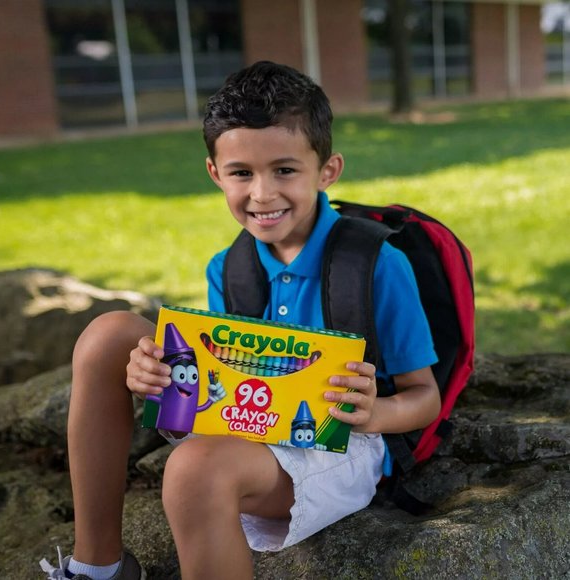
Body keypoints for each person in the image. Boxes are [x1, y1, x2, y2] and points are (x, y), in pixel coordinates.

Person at [40, 61, 441, 580]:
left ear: (327, 170)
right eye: (242, 173)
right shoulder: (229, 267)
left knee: (193, 470)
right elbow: (219, 381)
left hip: (337, 441)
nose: (262, 194)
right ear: (215, 173)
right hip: (243, 424)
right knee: (108, 335)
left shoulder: (377, 265)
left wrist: (374, 414)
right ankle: (98, 567)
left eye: (285, 170)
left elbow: (424, 397)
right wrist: (154, 377)